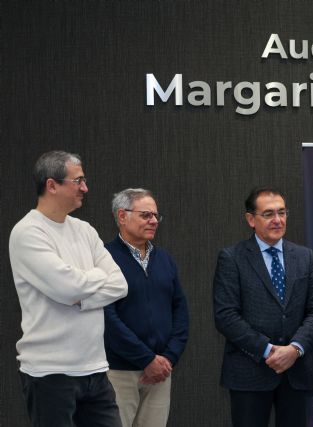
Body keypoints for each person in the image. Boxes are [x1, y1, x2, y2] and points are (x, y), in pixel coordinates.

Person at [8, 150, 128, 427]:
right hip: (50, 373)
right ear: (52, 185)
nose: (85, 188)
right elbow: (67, 288)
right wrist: (91, 281)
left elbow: (120, 284)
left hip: (95, 369)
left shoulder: (85, 230)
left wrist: (81, 298)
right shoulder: (28, 232)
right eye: (78, 181)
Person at [213, 187, 313, 427]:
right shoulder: (232, 258)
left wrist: (294, 349)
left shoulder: (305, 256)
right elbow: (226, 316)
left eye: (282, 212)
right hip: (249, 372)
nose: (277, 220)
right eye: (268, 214)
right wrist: (268, 351)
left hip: (296, 372)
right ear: (250, 219)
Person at [103, 188, 189, 427]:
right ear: (122, 216)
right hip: (120, 372)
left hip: (161, 372)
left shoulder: (164, 258)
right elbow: (106, 318)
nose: (153, 221)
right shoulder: (104, 258)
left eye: (156, 216)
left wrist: (167, 358)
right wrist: (146, 359)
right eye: (146, 215)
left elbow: (180, 309)